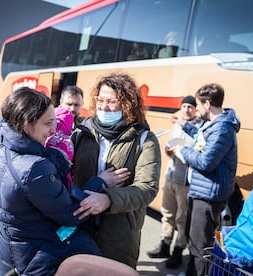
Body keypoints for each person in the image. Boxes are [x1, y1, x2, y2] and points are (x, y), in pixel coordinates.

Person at [0, 87, 105, 276]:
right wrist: (98, 183)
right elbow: (71, 214)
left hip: (3, 254)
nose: (53, 130)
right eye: (48, 123)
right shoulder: (34, 168)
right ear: (25, 124)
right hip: (30, 262)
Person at [71, 72, 162, 269]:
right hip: (80, 227)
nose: (103, 107)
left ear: (127, 103)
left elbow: (147, 188)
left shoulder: (144, 139)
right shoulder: (82, 133)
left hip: (120, 235)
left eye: (111, 102)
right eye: (100, 100)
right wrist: (100, 182)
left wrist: (108, 199)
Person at [175, 83, 240, 276]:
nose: (196, 109)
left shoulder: (223, 129)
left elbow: (205, 162)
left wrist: (182, 150)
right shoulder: (215, 125)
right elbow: (203, 138)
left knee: (200, 245)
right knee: (193, 239)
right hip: (202, 190)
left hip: (208, 195)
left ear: (207, 104)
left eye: (198, 104)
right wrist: (185, 127)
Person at [146, 95, 204, 269]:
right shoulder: (176, 125)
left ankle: (178, 250)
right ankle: (165, 245)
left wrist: (181, 151)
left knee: (182, 218)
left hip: (185, 182)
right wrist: (168, 150)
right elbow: (172, 148)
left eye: (190, 107)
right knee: (167, 214)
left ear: (195, 109)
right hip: (170, 176)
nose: (186, 110)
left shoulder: (199, 128)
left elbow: (198, 154)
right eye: (184, 106)